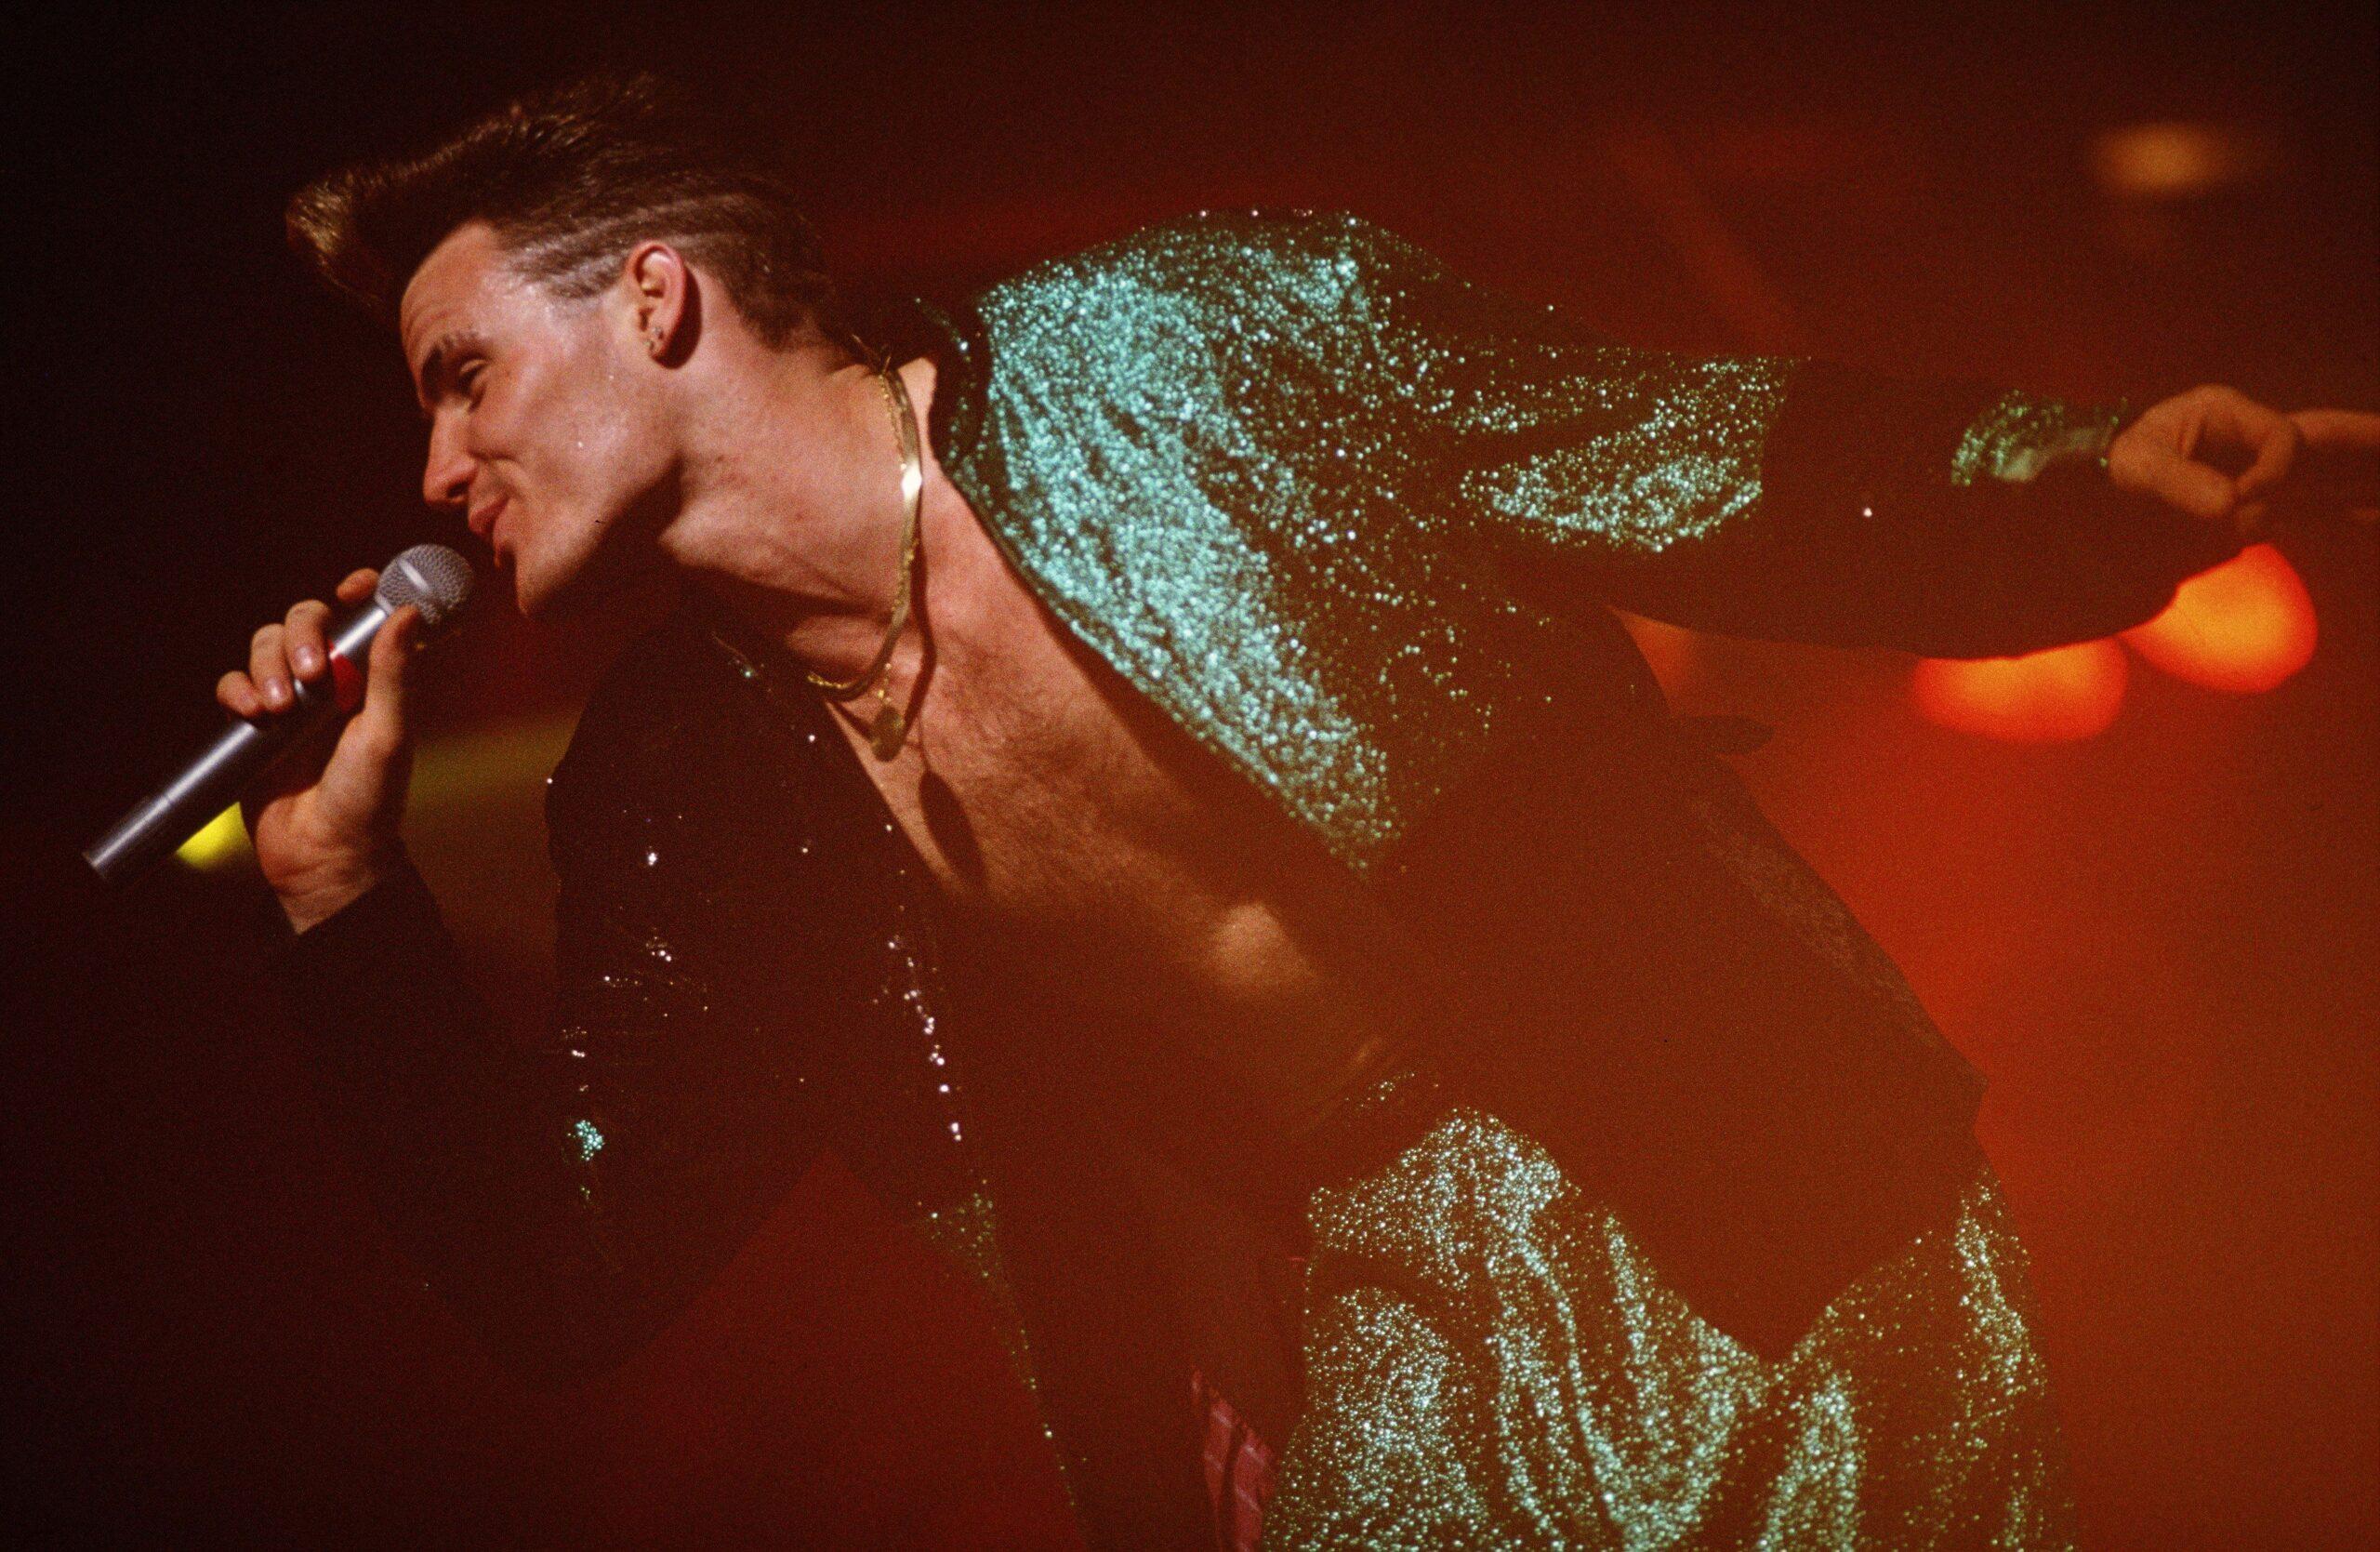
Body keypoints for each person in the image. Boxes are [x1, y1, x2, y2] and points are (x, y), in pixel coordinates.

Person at [228, 76, 2373, 1549]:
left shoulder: (1194, 345)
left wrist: (2070, 482)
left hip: (1742, 1170)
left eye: (459, 374)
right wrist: (336, 893)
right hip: (1391, 1305)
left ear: (652, 295)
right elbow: (570, 1267)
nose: (432, 472)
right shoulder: (685, 784)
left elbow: (1688, 449)